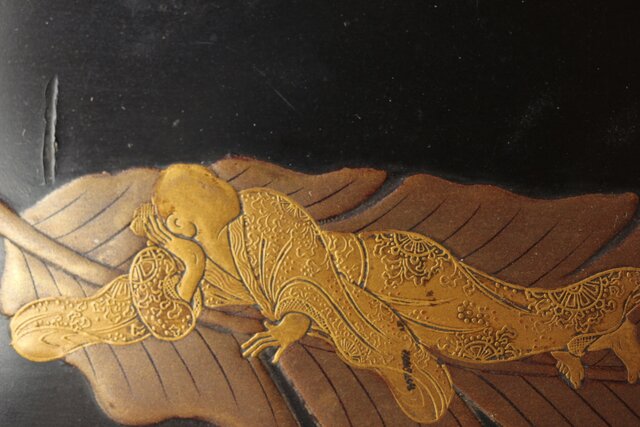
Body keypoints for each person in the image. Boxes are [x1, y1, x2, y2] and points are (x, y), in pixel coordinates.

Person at [11, 164, 640, 423]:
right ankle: (601, 333)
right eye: (60, 337)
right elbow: (159, 316)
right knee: (495, 338)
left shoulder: (265, 214)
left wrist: (289, 323)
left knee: (505, 327)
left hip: (398, 275)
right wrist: (191, 267)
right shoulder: (172, 261)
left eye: (177, 211)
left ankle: (608, 312)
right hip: (376, 297)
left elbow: (302, 278)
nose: (168, 221)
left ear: (198, 208)